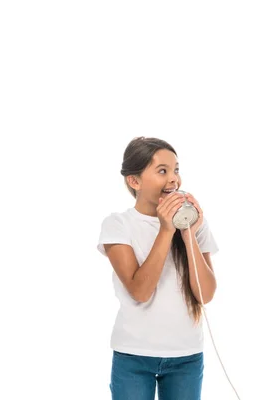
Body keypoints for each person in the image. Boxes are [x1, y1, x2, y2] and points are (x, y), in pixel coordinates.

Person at [97, 137, 219, 400]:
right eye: (162, 171)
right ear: (135, 181)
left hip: (186, 357)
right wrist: (166, 230)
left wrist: (188, 235)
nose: (174, 179)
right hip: (134, 357)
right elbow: (140, 291)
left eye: (176, 170)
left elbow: (205, 295)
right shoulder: (117, 225)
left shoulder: (194, 224)